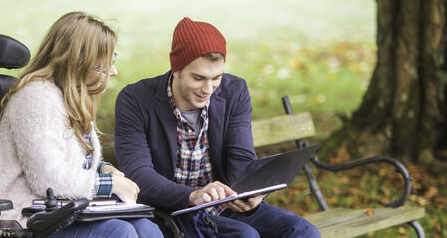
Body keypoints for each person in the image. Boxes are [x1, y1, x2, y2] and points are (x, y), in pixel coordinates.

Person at [114, 17, 321, 237]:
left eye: (216, 78)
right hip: (171, 210)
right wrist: (194, 195)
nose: (208, 88)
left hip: (224, 204)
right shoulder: (135, 100)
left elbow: (240, 157)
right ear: (176, 69)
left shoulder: (235, 91)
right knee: (245, 235)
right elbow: (139, 175)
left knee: (303, 231)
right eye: (198, 78)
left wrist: (253, 191)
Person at [0, 12, 162, 238]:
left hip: (59, 213)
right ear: (78, 62)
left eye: (111, 62)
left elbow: (70, 160)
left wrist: (103, 169)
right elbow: (47, 179)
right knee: (118, 233)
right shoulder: (36, 98)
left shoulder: (69, 97)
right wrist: (109, 185)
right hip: (20, 220)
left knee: (146, 228)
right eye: (102, 65)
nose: (112, 72)